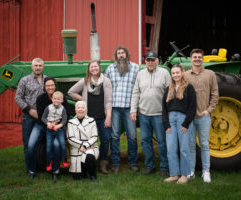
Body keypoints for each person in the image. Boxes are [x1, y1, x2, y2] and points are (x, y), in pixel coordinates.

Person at [68, 60, 112, 174]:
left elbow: (108, 101)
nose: (93, 69)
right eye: (91, 67)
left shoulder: (106, 81)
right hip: (89, 119)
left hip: (102, 117)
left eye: (95, 66)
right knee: (90, 141)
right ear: (89, 69)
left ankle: (102, 163)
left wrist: (108, 117)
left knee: (105, 140)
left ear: (99, 68)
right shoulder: (85, 81)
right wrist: (82, 99)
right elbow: (71, 92)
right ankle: (91, 162)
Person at [130, 51, 170, 177]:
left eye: (153, 60)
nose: (151, 62)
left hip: (159, 114)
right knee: (145, 140)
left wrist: (169, 111)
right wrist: (133, 110)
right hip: (144, 114)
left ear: (157, 61)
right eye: (148, 60)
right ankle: (150, 166)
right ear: (145, 61)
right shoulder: (140, 74)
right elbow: (136, 92)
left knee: (162, 141)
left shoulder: (164, 73)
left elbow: (170, 92)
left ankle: (164, 167)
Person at [184, 48, 219, 183]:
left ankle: (206, 171)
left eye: (199, 57)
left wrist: (209, 110)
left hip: (204, 116)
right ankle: (191, 171)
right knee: (191, 144)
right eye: (195, 57)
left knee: (204, 144)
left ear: (202, 59)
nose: (197, 59)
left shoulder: (210, 74)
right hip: (190, 117)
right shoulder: (186, 75)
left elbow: (215, 93)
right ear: (190, 59)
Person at [104, 45, 139, 173]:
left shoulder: (135, 68)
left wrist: (136, 106)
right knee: (115, 136)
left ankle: (133, 162)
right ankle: (115, 163)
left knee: (132, 136)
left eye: (123, 53)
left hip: (130, 108)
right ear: (116, 56)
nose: (121, 55)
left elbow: (138, 87)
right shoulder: (110, 69)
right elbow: (105, 87)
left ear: (127, 54)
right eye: (118, 53)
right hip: (115, 108)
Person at [26, 77, 69, 181]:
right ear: (44, 87)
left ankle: (55, 171)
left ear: (55, 86)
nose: (50, 87)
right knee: (31, 145)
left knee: (57, 145)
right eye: (47, 86)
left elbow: (66, 115)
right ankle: (32, 170)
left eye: (52, 85)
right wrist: (49, 123)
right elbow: (41, 116)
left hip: (56, 127)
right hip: (41, 125)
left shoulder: (61, 98)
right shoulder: (41, 98)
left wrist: (57, 125)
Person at [162, 64, 196, 184]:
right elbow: (164, 108)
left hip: (183, 120)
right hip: (171, 120)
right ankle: (174, 174)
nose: (175, 75)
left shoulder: (189, 88)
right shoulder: (168, 89)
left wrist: (186, 123)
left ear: (182, 73)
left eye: (177, 72)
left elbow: (192, 107)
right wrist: (166, 124)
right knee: (171, 148)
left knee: (184, 148)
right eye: (173, 73)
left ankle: (185, 175)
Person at [15, 58, 46, 173]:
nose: (38, 67)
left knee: (43, 142)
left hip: (43, 117)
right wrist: (29, 110)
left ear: (43, 67)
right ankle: (31, 170)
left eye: (40, 65)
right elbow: (18, 97)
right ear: (32, 67)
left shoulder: (47, 80)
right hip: (29, 116)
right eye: (36, 65)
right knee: (28, 143)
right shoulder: (25, 80)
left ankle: (42, 166)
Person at [67, 101, 99, 182]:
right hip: (76, 147)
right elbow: (70, 138)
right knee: (77, 177)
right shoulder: (71, 122)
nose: (80, 110)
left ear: (86, 110)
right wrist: (82, 145)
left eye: (83, 108)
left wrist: (85, 145)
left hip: (90, 146)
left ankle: (92, 174)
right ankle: (83, 171)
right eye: (78, 108)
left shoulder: (91, 120)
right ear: (75, 110)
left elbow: (95, 136)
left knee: (90, 157)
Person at [41, 91, 68, 173]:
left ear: (62, 100)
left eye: (58, 99)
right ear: (52, 99)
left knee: (63, 144)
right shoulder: (48, 107)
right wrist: (48, 123)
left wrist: (59, 126)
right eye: (55, 99)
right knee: (49, 147)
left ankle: (64, 159)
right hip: (50, 130)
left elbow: (64, 119)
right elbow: (43, 118)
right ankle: (49, 162)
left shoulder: (63, 109)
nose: (56, 101)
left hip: (59, 130)